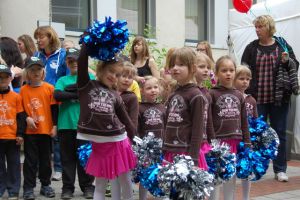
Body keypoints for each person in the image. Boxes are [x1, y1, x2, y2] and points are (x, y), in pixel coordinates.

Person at [241, 15, 299, 182]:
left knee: (279, 132)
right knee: (254, 133)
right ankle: (253, 168)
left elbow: (295, 64)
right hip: (257, 98)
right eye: (256, 27)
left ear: (269, 28)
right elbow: (243, 70)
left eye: (260, 27)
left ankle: (280, 169)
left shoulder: (281, 44)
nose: (257, 30)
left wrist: (287, 61)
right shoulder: (251, 47)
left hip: (279, 98)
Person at [76, 44, 137, 200]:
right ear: (101, 68)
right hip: (100, 145)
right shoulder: (86, 85)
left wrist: (135, 139)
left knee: (125, 181)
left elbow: (126, 121)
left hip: (119, 141)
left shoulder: (115, 94)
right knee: (100, 184)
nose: (113, 77)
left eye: (117, 75)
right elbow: (82, 62)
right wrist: (86, 45)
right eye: (111, 71)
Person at [54, 48, 95, 199]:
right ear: (66, 62)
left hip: (85, 125)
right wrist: (79, 91)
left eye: (77, 60)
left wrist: (69, 92)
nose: (74, 63)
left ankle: (87, 187)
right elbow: (57, 95)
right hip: (66, 125)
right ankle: (67, 188)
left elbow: (91, 93)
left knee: (85, 158)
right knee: (67, 159)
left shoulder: (90, 77)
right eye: (70, 60)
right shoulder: (62, 80)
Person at [209, 56, 250, 200]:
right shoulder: (211, 94)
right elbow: (208, 120)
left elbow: (244, 121)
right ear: (217, 73)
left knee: (230, 178)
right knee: (215, 178)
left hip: (235, 142)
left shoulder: (239, 95)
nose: (228, 73)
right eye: (224, 70)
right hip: (218, 143)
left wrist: (247, 142)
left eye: (231, 70)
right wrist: (212, 142)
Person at [34, 25, 68, 181]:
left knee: (56, 136)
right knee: (39, 134)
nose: (39, 40)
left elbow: (67, 78)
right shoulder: (36, 55)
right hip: (38, 101)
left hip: (56, 101)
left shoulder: (63, 55)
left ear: (51, 37)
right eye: (37, 38)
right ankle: (40, 167)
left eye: (42, 37)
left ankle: (59, 169)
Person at [21, 57, 58, 200]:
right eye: (32, 70)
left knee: (46, 160)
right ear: (27, 73)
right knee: (30, 161)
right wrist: (26, 118)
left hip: (46, 131)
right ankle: (28, 188)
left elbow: (54, 109)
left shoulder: (49, 88)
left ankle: (45, 185)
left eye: (38, 69)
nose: (35, 72)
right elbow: (20, 110)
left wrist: (55, 126)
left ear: (43, 71)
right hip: (30, 132)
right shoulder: (23, 90)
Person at [163, 47, 206, 167]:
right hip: (170, 150)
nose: (175, 68)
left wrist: (193, 158)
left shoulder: (196, 95)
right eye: (172, 65)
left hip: (186, 153)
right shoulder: (173, 93)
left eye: (181, 64)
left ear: (192, 68)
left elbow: (198, 129)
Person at [0, 63, 26, 200]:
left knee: (14, 165)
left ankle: (13, 190)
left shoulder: (16, 97)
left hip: (12, 137)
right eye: (0, 77)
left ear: (11, 79)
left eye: (5, 77)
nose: (2, 80)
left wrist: (20, 134)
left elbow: (21, 117)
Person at [138, 76, 166, 200]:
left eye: (155, 87)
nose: (153, 90)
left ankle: (161, 196)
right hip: (146, 150)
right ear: (142, 90)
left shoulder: (163, 107)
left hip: (161, 148)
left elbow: (167, 127)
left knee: (161, 173)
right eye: (149, 88)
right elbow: (137, 129)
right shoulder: (139, 108)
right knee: (145, 174)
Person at [195, 52, 215, 170]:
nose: (206, 70)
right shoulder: (189, 91)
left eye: (208, 67)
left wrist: (212, 141)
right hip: (191, 143)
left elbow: (209, 120)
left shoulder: (206, 92)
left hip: (204, 141)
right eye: (202, 67)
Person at [117, 61, 139, 129]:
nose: (126, 80)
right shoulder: (109, 93)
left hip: (123, 134)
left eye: (130, 77)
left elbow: (133, 121)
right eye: (123, 76)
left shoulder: (132, 97)